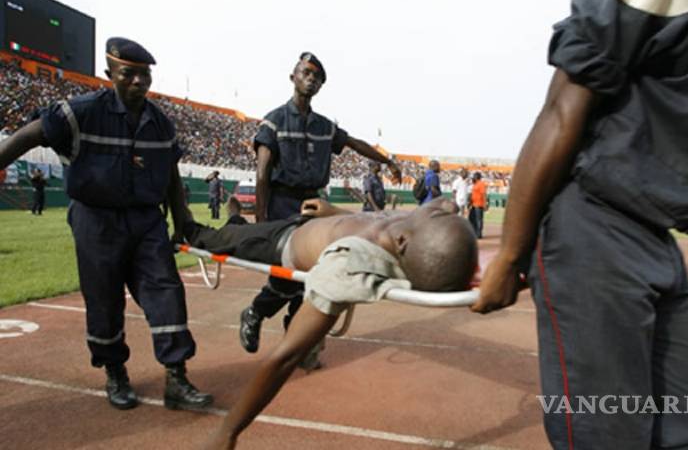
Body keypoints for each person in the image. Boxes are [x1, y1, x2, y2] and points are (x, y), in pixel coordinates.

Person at [473, 0, 688, 449]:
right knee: (608, 435)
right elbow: (564, 104)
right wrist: (512, 254)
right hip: (597, 225)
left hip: (656, 234)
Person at [0, 37, 213, 412]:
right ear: (109, 73)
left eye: (144, 76)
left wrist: (182, 219)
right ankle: (116, 373)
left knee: (166, 293)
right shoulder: (77, 112)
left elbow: (171, 175)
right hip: (95, 220)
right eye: (128, 74)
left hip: (146, 221)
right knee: (104, 301)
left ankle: (176, 378)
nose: (138, 82)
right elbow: (26, 137)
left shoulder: (161, 124)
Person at [184, 197, 477, 450]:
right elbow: (445, 204)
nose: (444, 207)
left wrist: (228, 431)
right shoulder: (414, 231)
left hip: (277, 242)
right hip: (310, 221)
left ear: (402, 243)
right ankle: (235, 219)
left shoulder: (348, 265)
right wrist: (335, 210)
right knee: (237, 231)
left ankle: (210, 220)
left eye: (438, 214)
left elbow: (285, 357)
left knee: (207, 237)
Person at [241, 52, 403, 360]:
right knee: (288, 271)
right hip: (281, 202)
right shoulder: (274, 121)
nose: (311, 79)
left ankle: (297, 339)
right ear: (293, 77)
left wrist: (388, 160)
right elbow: (262, 170)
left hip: (313, 203)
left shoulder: (324, 127)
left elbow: (355, 143)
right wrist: (261, 219)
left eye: (317, 77)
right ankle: (255, 313)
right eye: (306, 73)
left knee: (314, 272)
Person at [468, 171, 488, 239]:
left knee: (478, 219)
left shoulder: (481, 184)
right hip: (474, 204)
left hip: (479, 204)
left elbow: (484, 194)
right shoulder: (475, 184)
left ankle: (479, 234)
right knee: (471, 218)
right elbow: (473, 195)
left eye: (474, 176)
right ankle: (474, 232)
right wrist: (470, 203)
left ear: (477, 177)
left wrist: (485, 204)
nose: (472, 178)